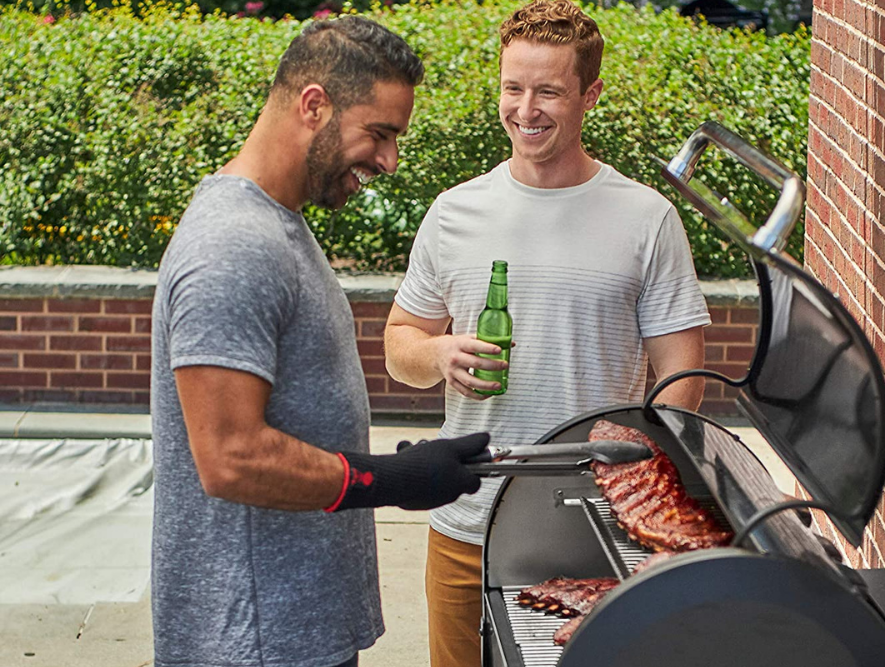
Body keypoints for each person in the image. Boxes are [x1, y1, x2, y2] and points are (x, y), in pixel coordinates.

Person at [150, 17, 490, 667]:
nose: (389, 161)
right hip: (253, 640)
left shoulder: (280, 224)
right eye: (380, 133)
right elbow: (229, 455)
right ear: (315, 105)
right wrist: (386, 478)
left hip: (290, 631)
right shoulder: (232, 245)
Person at [382, 1, 711, 665]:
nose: (525, 109)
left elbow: (683, 378)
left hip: (588, 527)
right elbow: (400, 347)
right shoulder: (455, 212)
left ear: (590, 94)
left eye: (548, 91)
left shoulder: (646, 218)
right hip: (465, 524)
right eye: (513, 87)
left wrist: (636, 497)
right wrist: (437, 352)